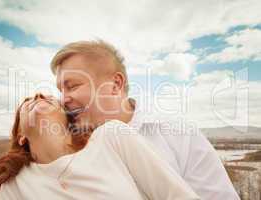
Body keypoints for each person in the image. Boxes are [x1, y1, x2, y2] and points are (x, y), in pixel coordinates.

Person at [50, 40, 240, 200]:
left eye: (72, 86)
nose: (63, 99)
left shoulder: (179, 134)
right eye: (61, 90)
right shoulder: (66, 149)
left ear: (115, 84)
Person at [0, 93, 199, 200]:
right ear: (21, 136)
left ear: (66, 119)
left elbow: (177, 195)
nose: (39, 96)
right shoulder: (13, 188)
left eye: (49, 98)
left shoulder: (112, 136)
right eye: (27, 102)